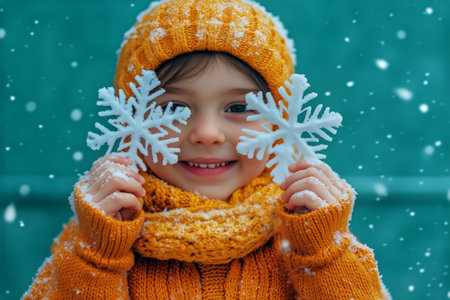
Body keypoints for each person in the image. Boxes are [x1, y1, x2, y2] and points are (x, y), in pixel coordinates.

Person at [23, 0, 391, 299]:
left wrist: (326, 254)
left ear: (282, 119)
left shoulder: (306, 235)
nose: (207, 133)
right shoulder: (98, 236)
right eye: (173, 108)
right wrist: (98, 258)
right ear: (130, 117)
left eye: (239, 107)